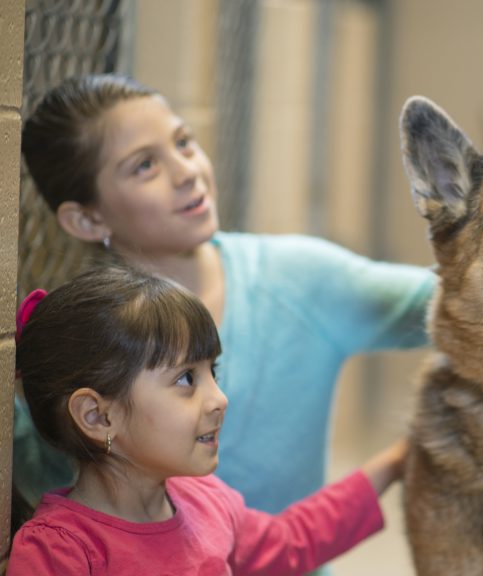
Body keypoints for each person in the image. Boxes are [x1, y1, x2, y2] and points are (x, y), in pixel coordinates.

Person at [17, 74, 435, 521]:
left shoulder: (301, 279)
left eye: (184, 142)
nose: (187, 172)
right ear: (86, 220)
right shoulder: (72, 348)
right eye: (144, 166)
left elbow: (463, 299)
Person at [7, 266, 408, 575]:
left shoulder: (206, 501)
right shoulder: (61, 552)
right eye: (186, 379)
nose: (219, 399)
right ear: (98, 416)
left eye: (212, 373)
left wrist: (395, 462)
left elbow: (292, 541)